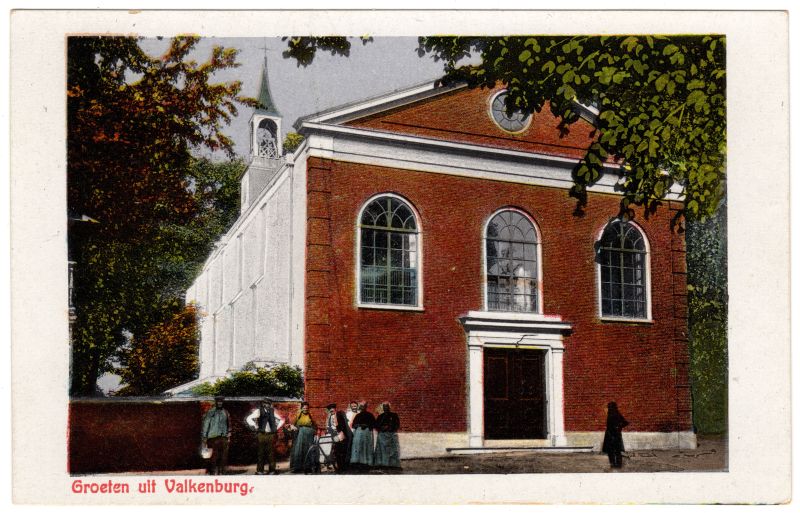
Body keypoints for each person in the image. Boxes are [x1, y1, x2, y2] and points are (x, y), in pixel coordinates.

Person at [246, 398, 285, 475]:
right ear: (263, 404)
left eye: (268, 403)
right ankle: (260, 470)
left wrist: (276, 428)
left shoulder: (272, 411)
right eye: (265, 403)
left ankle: (272, 470)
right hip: (261, 434)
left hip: (270, 434)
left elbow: (281, 419)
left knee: (271, 453)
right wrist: (254, 425)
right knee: (261, 453)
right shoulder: (258, 411)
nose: (267, 405)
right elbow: (249, 418)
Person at [201, 395, 231, 475]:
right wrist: (204, 437)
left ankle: (222, 472)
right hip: (213, 437)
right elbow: (206, 424)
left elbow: (229, 424)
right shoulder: (210, 412)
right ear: (216, 402)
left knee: (224, 456)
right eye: (218, 402)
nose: (220, 403)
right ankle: (212, 472)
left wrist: (228, 435)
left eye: (221, 402)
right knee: (213, 456)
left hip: (223, 437)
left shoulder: (225, 412)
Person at [289, 402, 316, 473]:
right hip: (301, 434)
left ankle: (307, 467)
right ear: (301, 408)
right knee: (299, 450)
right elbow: (292, 423)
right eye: (304, 408)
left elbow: (314, 424)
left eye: (307, 408)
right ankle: (297, 467)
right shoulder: (298, 414)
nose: (305, 409)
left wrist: (314, 431)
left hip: (309, 434)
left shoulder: (310, 415)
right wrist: (293, 427)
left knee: (308, 450)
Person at [325, 403, 353, 473]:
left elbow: (343, 424)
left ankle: (343, 467)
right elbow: (329, 426)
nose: (332, 412)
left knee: (342, 451)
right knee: (337, 452)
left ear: (335, 409)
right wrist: (330, 430)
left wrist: (341, 432)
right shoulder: (330, 417)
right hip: (334, 435)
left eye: (333, 410)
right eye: (330, 411)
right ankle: (339, 467)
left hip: (342, 434)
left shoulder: (339, 414)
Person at [373, 402, 401, 471]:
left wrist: (389, 428)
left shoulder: (394, 415)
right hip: (382, 436)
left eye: (387, 407)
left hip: (391, 435)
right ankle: (383, 464)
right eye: (384, 407)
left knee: (392, 451)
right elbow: (376, 425)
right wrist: (382, 428)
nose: (385, 408)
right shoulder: (380, 416)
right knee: (382, 451)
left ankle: (393, 465)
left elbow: (397, 425)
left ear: (389, 408)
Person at [349, 401, 376, 472]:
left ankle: (367, 463)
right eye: (361, 407)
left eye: (363, 407)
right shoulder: (357, 415)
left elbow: (373, 424)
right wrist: (359, 425)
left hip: (366, 433)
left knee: (366, 447)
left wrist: (366, 425)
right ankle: (358, 463)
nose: (362, 408)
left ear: (366, 407)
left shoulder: (370, 415)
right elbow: (353, 425)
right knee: (358, 447)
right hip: (358, 433)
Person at [601, 401, 629, 469]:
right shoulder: (616, 413)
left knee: (612, 451)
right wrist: (619, 427)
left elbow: (625, 422)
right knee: (616, 450)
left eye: (609, 407)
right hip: (615, 435)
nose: (608, 408)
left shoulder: (613, 414)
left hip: (612, 435)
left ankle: (614, 464)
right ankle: (617, 464)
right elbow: (625, 422)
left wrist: (618, 427)